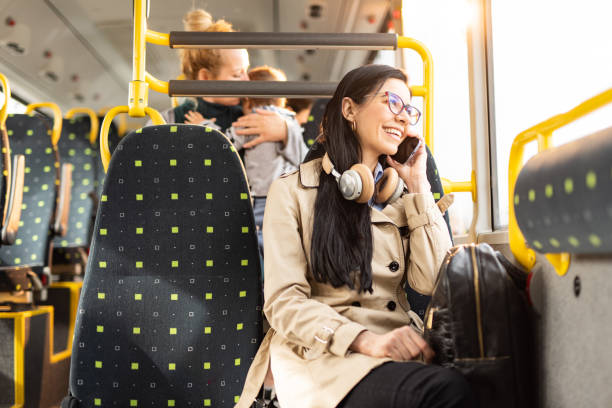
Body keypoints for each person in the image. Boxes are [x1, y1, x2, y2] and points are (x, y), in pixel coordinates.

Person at [236, 64, 473, 408]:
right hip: (324, 359)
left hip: (394, 352)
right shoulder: (293, 191)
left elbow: (436, 282)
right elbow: (284, 303)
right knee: (443, 392)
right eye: (392, 102)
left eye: (409, 110)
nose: (404, 118)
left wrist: (419, 184)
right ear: (349, 109)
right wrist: (363, 340)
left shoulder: (401, 196)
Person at [190, 65, 308, 258]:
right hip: (289, 194)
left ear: (248, 101)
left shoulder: (251, 120)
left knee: (258, 237)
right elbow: (303, 158)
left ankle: (261, 272)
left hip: (262, 195)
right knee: (285, 237)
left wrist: (203, 125)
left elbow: (224, 144)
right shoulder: (290, 121)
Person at [158, 9, 304, 157]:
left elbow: (308, 163)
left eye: (246, 71)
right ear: (206, 78)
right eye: (236, 74)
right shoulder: (168, 121)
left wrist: (286, 132)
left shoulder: (256, 111)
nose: (247, 81)